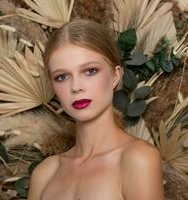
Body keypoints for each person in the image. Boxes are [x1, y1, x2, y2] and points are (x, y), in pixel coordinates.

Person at [27, 19, 164, 200]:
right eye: (62, 77)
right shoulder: (45, 173)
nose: (76, 87)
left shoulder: (137, 159)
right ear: (52, 85)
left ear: (115, 76)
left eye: (90, 71)